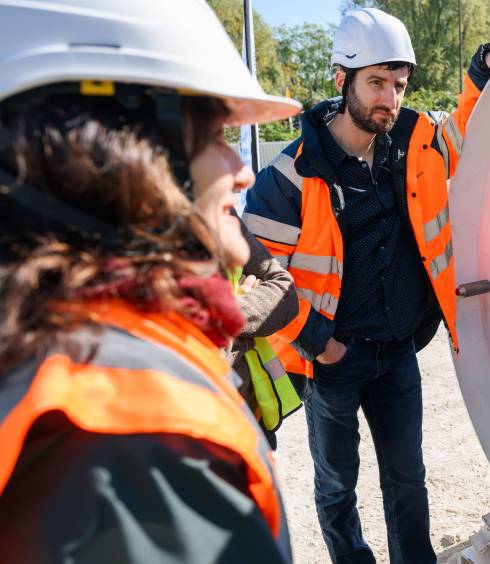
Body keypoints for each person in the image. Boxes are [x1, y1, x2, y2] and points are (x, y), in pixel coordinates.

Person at [0, 0, 300, 561]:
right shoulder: (129, 436)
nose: (243, 171)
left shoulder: (42, 340)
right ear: (126, 160)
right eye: (216, 137)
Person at [244, 8, 490, 562]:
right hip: (331, 357)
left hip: (397, 351)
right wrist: (320, 343)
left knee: (407, 479)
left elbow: (463, 130)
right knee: (336, 487)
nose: (389, 99)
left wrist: (481, 71)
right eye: (375, 82)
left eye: (398, 85)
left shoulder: (412, 140)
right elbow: (258, 278)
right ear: (340, 79)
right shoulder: (288, 176)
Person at [229, 221, 302, 449]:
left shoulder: (225, 217)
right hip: (204, 419)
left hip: (252, 413)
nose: (244, 184)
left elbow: (285, 294)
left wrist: (229, 313)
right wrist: (241, 308)